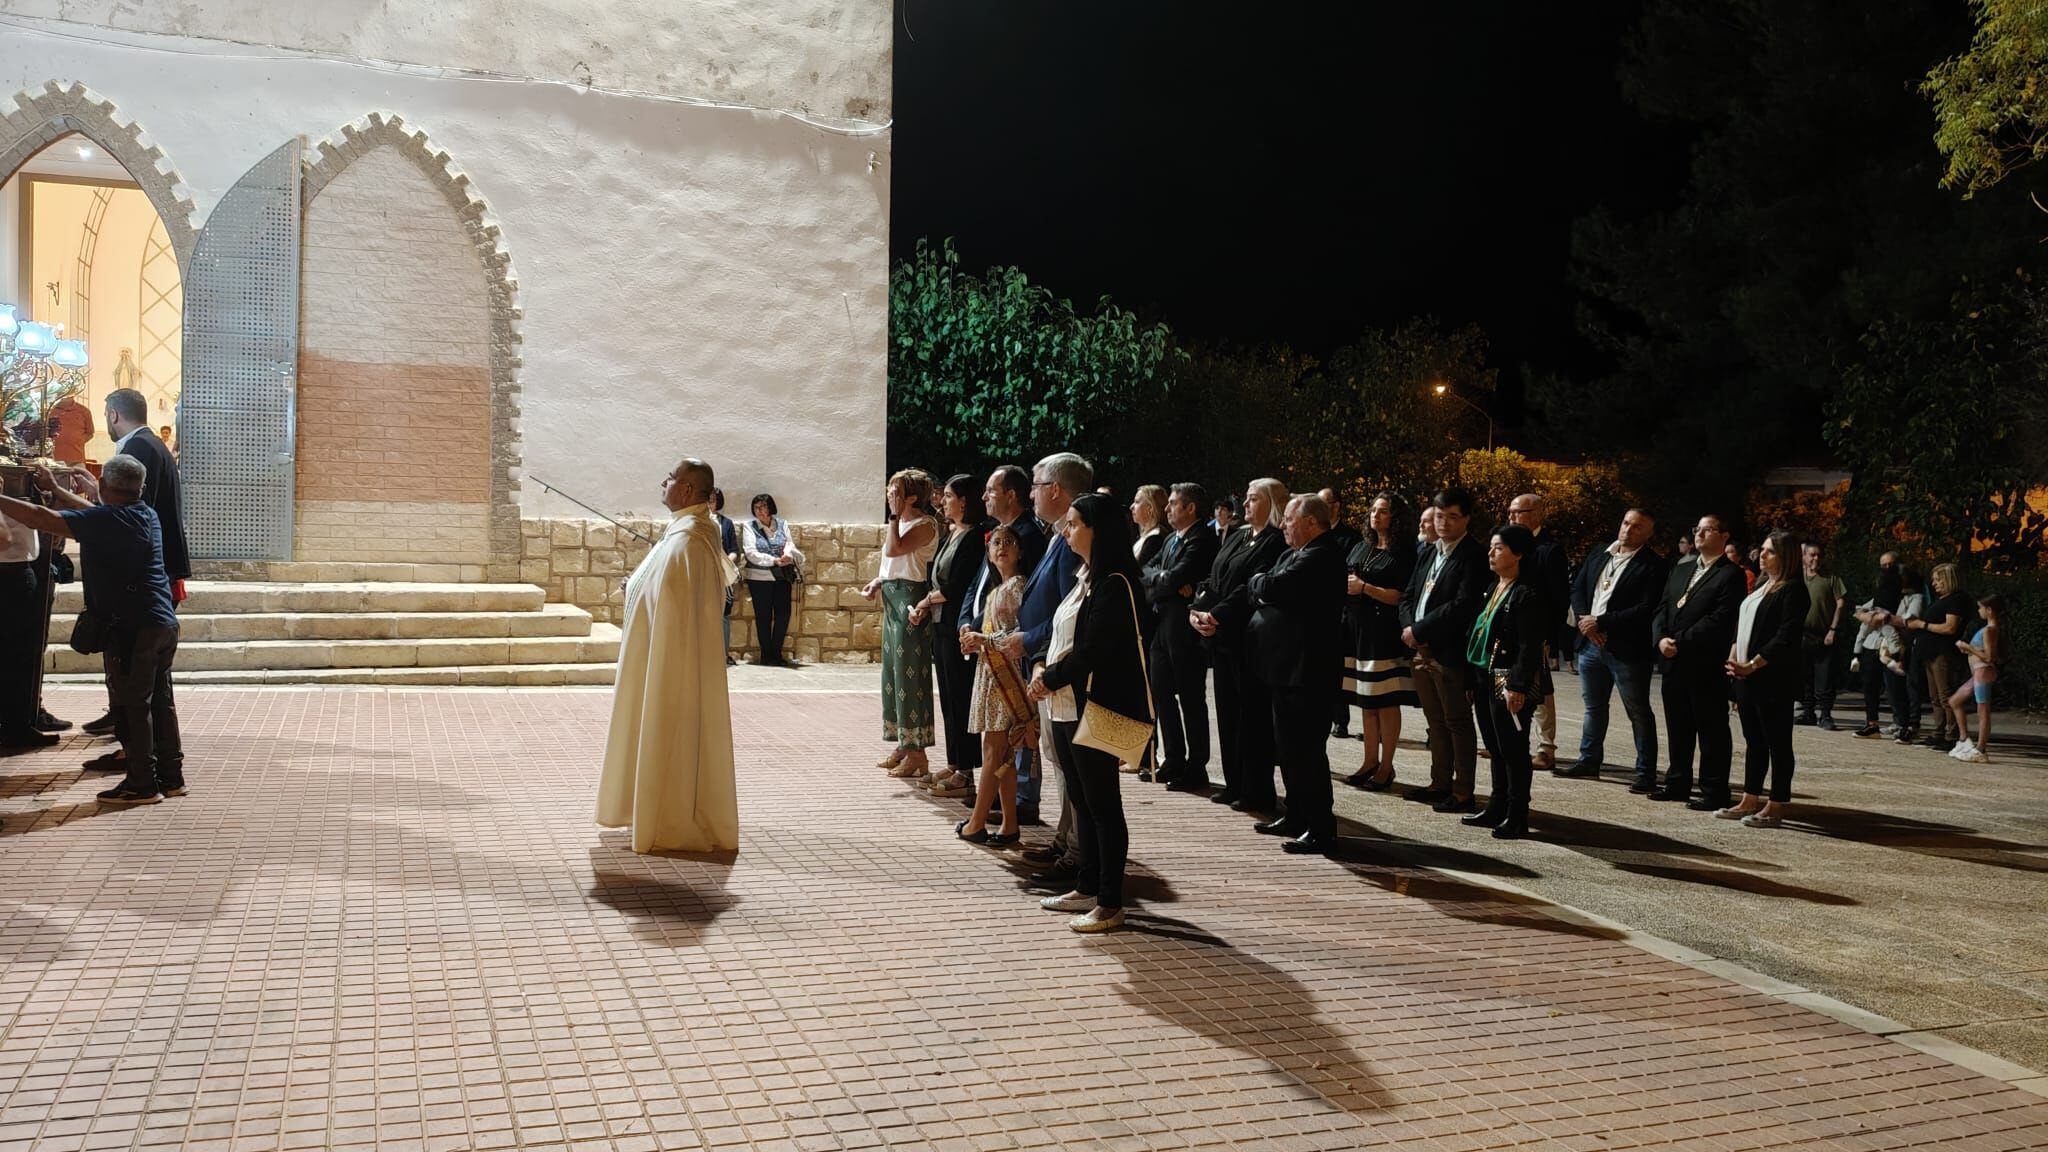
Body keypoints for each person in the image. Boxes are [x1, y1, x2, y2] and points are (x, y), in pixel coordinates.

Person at [2, 457, 184, 804]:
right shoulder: (143, 514)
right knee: (160, 704)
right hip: (161, 624)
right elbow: (95, 517)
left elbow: (46, 520)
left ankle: (141, 784)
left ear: (103, 487)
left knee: (131, 708)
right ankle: (171, 778)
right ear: (140, 488)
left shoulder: (110, 519)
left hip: (134, 629)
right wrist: (58, 491)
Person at [594, 457, 739, 853]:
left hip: (672, 666)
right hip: (665, 655)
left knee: (670, 730)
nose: (664, 481)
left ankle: (668, 818)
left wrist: (637, 588)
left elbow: (675, 604)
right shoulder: (685, 533)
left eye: (671, 477)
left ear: (688, 490)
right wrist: (638, 585)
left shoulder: (689, 539)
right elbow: (664, 590)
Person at [1030, 493, 1150, 933]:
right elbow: (1061, 634)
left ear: (1098, 530)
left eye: (1076, 523)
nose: (1067, 530)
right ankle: (1086, 884)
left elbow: (1095, 650)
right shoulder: (1086, 577)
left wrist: (1049, 676)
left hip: (1095, 705)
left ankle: (1110, 901)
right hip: (1065, 705)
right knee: (1081, 801)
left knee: (1104, 807)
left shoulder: (1116, 583)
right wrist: (1041, 664)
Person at [78, 388, 191, 742]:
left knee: (138, 670)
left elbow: (131, 516)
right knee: (148, 675)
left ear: (113, 414)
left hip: (142, 580)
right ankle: (129, 729)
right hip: (156, 573)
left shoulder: (138, 448)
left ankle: (135, 752)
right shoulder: (153, 444)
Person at [1245, 493, 1348, 854]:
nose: (1283, 525)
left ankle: (1321, 827)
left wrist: (1261, 584)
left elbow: (1270, 586)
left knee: (1306, 751)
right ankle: (1296, 814)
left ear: (1311, 522)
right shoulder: (1294, 554)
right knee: (1287, 748)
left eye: (1289, 519)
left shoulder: (1322, 556)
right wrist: (1262, 585)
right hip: (1286, 668)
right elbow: (1263, 585)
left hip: (1309, 671)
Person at [1010, 453, 1090, 876]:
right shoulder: (1060, 534)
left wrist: (1030, 643)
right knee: (1056, 758)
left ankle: (1078, 849)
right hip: (1047, 664)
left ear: (1056, 489)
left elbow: (1067, 611)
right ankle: (1065, 839)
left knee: (1067, 763)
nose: (1032, 494)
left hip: (1062, 669)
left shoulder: (1077, 540)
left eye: (1037, 485)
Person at [1190, 478, 1288, 812]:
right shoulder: (1239, 534)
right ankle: (1234, 782)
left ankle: (1255, 788)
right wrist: (1197, 610)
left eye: (1253, 499)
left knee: (1252, 717)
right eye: (1245, 499)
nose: (1244, 505)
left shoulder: (1275, 542)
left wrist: (1216, 615)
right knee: (1228, 714)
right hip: (1221, 639)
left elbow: (1248, 587)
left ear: (1272, 503)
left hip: (1247, 639)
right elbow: (1213, 576)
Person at [1398, 487, 1490, 813]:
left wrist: (1420, 629)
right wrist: (1409, 629)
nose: (1444, 523)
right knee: (1434, 721)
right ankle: (1439, 783)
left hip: (1448, 651)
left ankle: (1463, 792)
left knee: (1457, 722)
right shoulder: (1428, 551)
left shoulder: (1474, 555)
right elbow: (1408, 595)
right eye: (1439, 516)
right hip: (1419, 648)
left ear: (1466, 519)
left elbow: (1463, 605)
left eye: (1452, 517)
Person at [1562, 509, 1666, 789]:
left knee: (1638, 711)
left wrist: (1602, 623)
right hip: (1590, 643)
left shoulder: (1653, 565)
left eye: (1637, 527)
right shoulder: (1600, 553)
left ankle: (1645, 772)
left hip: (1625, 648)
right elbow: (1578, 589)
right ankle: (1589, 760)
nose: (1628, 530)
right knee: (1593, 707)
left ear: (1648, 533)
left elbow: (1646, 608)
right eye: (1626, 523)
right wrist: (1586, 621)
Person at [1460, 524, 1552, 839]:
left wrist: (1518, 686)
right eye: (1492, 546)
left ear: (1519, 553)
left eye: (1498, 547)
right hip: (1484, 674)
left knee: (1513, 748)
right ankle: (1496, 805)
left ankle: (1517, 813)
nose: (1491, 552)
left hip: (1507, 678)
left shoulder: (1527, 592)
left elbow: (1528, 645)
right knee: (1495, 746)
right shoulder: (1493, 586)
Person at [1649, 515, 1745, 809]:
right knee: (1678, 725)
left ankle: (1714, 789)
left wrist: (1681, 640)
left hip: (1704, 662)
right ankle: (1677, 782)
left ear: (1724, 535)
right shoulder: (1682, 569)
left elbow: (1720, 619)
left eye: (1708, 529)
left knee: (1711, 727)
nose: (1700, 533)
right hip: (1673, 662)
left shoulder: (1730, 574)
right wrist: (1660, 638)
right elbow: (1663, 607)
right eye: (1697, 529)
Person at [1717, 530, 1809, 828]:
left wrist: (1753, 664)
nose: (1762, 555)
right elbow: (1742, 625)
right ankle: (1749, 797)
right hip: (1746, 676)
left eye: (1769, 551)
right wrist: (1734, 654)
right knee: (1754, 741)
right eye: (1763, 550)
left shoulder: (1793, 589)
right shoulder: (1761, 585)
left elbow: (1786, 636)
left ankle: (1776, 803)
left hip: (1772, 677)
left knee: (1777, 742)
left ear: (1786, 556)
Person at [863, 470, 941, 776]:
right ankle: (902, 742)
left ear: (911, 497)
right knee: (892, 675)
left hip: (911, 600)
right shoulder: (900, 523)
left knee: (910, 676)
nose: (889, 495)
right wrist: (878, 581)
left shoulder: (925, 524)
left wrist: (894, 518)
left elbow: (897, 550)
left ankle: (918, 753)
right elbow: (893, 562)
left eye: (895, 491)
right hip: (893, 597)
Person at [1141, 483, 1219, 791]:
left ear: (1190, 508)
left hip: (1186, 630)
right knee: (1161, 693)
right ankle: (1172, 759)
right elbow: (1146, 571)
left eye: (1174, 504)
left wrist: (1165, 580)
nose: (1168, 508)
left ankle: (1196, 766)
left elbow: (1178, 576)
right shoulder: (1172, 538)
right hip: (1163, 624)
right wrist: (1163, 581)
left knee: (1190, 697)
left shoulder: (1202, 538)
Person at [958, 524, 1031, 845]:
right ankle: (1009, 824)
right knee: (1001, 755)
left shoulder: (1018, 586)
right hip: (990, 672)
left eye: (1009, 543)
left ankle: (976, 823)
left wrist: (983, 639)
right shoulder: (995, 589)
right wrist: (975, 642)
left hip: (1008, 677)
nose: (1001, 548)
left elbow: (1018, 634)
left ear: (1019, 551)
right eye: (996, 543)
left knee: (993, 750)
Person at [1341, 492, 1417, 790]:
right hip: (1357, 630)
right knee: (1366, 701)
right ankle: (1369, 760)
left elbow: (1401, 595)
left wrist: (1364, 588)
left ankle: (1387, 766)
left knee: (1385, 701)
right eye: (1372, 510)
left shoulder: (1404, 553)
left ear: (1395, 518)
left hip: (1383, 632)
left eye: (1383, 511)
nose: (1375, 515)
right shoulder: (1362, 546)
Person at [917, 474, 988, 796]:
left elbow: (957, 585)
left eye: (947, 496)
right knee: (947, 698)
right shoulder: (952, 532)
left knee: (960, 698)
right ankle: (955, 761)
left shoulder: (975, 537)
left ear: (964, 501)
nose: (942, 501)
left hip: (957, 625)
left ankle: (967, 770)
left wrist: (926, 600)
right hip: (940, 624)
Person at [1507, 493, 1572, 771]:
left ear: (1536, 514)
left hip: (1537, 631)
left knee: (1540, 689)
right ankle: (1508, 736)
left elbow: (1558, 598)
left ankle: (1546, 746)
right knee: (1507, 684)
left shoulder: (1549, 549)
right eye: (1509, 512)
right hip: (1509, 629)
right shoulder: (1507, 544)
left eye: (1517, 512)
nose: (1512, 518)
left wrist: (1549, 638)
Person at [0, 486, 54, 749]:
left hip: (18, 569)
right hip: (10, 572)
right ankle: (15, 726)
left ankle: (21, 719)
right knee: (17, 653)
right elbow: (3, 539)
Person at [1904, 564, 1973, 752]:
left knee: (1945, 694)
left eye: (1938, 579)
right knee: (1935, 695)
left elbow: (1950, 627)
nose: (1934, 583)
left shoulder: (1957, 600)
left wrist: (1922, 625)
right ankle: (1939, 731)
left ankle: (1952, 734)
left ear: (1949, 579)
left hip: (1943, 651)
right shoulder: (1941, 599)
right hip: (1929, 651)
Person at [1127, 483, 1170, 776]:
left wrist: (1143, 578)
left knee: (1145, 690)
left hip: (1148, 622)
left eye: (1137, 502)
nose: (1132, 507)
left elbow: (1142, 576)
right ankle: (1133, 750)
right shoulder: (1142, 538)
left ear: (1151, 508)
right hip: (1135, 621)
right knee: (1134, 689)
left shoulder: (1158, 538)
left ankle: (1144, 754)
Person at [1318, 488, 1362, 739]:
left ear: (1337, 506)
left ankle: (1341, 719)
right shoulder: (1313, 531)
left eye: (1326, 503)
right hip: (1317, 608)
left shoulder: (1350, 538)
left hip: (1341, 610)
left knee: (1339, 666)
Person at [740, 493, 804, 667]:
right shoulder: (749, 526)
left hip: (782, 576)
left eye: (763, 507)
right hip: (759, 578)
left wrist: (786, 555)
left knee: (783, 614)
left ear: (770, 508)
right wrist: (773, 560)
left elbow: (789, 543)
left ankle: (776, 653)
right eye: (756, 508)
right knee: (764, 617)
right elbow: (750, 552)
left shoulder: (783, 524)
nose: (760, 511)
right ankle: (766, 655)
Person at [1849, 553, 1905, 739]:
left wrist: (1885, 618)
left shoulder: (1906, 595)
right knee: (1870, 685)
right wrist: (1870, 617)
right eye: (1884, 565)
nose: (1887, 569)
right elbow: (1858, 611)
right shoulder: (1880, 593)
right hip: (1872, 644)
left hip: (1891, 646)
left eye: (1891, 564)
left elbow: (1909, 619)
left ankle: (1903, 723)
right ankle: (1871, 723)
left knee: (1895, 686)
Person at [1797, 542, 1849, 730]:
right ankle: (1808, 712)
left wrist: (1833, 629)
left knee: (1824, 676)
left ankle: (1825, 715)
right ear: (1803, 556)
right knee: (1805, 676)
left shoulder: (1831, 578)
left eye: (1818, 555)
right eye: (1811, 555)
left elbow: (1840, 604)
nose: (1815, 559)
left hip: (1824, 634)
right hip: (1802, 634)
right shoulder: (1798, 578)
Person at [1947, 593, 2002, 764]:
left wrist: (1968, 647)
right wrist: (1969, 649)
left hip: (1983, 671)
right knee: (1955, 701)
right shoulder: (1987, 629)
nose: (1979, 611)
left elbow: (1989, 657)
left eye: (1980, 608)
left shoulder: (1990, 630)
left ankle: (1981, 749)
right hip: (1978, 672)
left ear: (1989, 610)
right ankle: (1964, 739)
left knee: (1982, 710)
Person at [709, 487, 740, 666]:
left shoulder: (725, 523)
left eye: (712, 500)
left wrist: (725, 564)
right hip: (704, 574)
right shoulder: (699, 522)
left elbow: (733, 550)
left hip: (722, 574)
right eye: (707, 500)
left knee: (723, 616)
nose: (709, 504)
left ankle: (723, 653)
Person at [49, 392, 93, 464]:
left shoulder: (84, 411)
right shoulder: (49, 411)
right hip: (53, 462)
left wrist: (77, 441)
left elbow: (90, 433)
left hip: (77, 461)